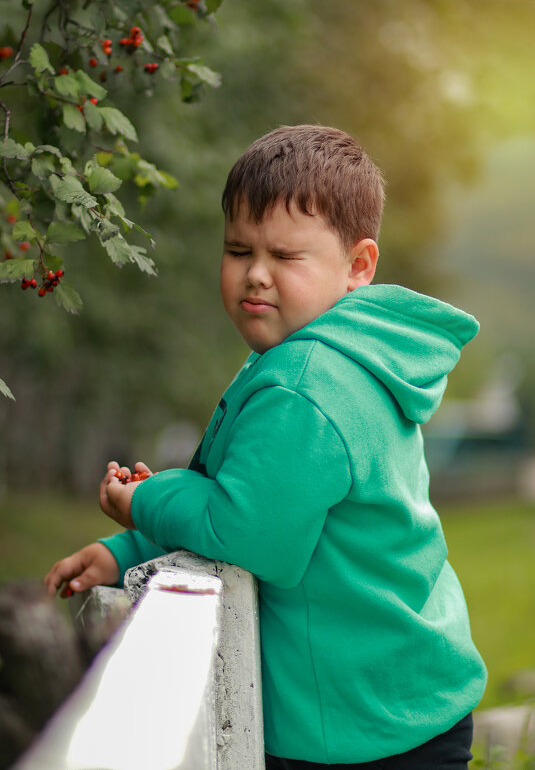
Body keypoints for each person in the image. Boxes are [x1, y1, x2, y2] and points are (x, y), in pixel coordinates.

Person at [45, 125, 487, 769]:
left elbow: (250, 534)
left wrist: (147, 500)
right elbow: (256, 497)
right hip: (402, 693)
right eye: (237, 250)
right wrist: (129, 551)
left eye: (285, 256)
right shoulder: (338, 357)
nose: (256, 275)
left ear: (358, 266)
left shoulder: (305, 385)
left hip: (363, 730)